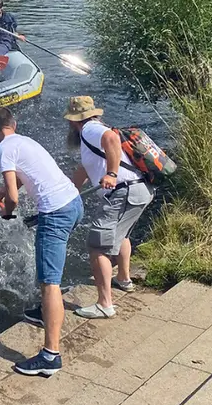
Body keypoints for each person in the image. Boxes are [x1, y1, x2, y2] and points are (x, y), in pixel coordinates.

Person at [0, 107, 83, 377]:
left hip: (55, 212)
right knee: (51, 270)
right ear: (13, 124)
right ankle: (45, 313)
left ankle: (50, 356)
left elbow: (14, 201)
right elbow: (18, 179)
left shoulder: (3, 148)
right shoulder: (24, 141)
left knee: (49, 282)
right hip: (74, 203)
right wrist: (1, 191)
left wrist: (6, 211)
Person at [64, 96, 155, 319]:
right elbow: (84, 170)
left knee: (97, 246)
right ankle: (124, 279)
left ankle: (105, 304)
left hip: (123, 192)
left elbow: (111, 139)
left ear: (75, 121)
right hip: (140, 190)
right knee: (120, 234)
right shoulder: (93, 137)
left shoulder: (89, 130)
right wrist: (67, 195)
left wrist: (112, 174)